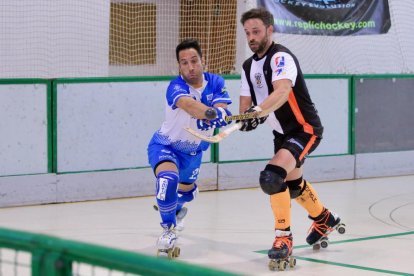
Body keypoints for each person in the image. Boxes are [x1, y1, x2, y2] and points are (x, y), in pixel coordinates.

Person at [238, 8, 344, 264]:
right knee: (294, 187)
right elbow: (244, 109)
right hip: (281, 133)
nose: (251, 37)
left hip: (304, 129)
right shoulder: (247, 66)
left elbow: (282, 91)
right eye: (247, 33)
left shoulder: (280, 58)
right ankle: (324, 219)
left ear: (269, 30)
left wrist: (258, 110)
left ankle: (283, 237)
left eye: (256, 31)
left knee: (272, 177)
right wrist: (246, 120)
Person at [147, 38, 232, 256]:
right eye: (184, 62)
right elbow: (190, 106)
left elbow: (222, 106)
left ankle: (175, 209)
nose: (190, 67)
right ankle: (168, 230)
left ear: (202, 60)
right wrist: (212, 114)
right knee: (167, 181)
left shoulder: (216, 82)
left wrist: (222, 112)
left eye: (194, 60)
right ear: (179, 66)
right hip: (166, 145)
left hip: (193, 152)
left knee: (186, 193)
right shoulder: (176, 86)